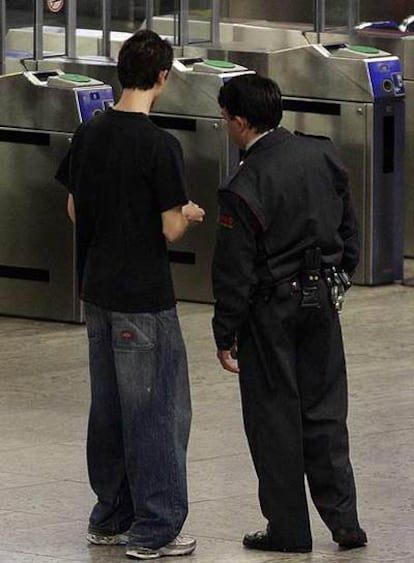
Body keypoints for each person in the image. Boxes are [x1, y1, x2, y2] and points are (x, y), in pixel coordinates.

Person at [56, 29, 205, 560]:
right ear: (163, 77)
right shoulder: (160, 145)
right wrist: (185, 213)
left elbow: (75, 211)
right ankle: (156, 526)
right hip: (144, 297)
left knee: (111, 406)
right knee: (158, 408)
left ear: (120, 72)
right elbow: (169, 229)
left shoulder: (89, 132)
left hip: (95, 288)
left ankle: (111, 515)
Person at [211, 74, 367, 554]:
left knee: (274, 420)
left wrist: (226, 331)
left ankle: (289, 530)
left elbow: (234, 269)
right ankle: (345, 524)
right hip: (322, 300)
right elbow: (348, 223)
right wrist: (342, 269)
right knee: (325, 413)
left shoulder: (244, 183)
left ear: (239, 123)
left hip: (270, 313)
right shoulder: (321, 153)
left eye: (225, 119)